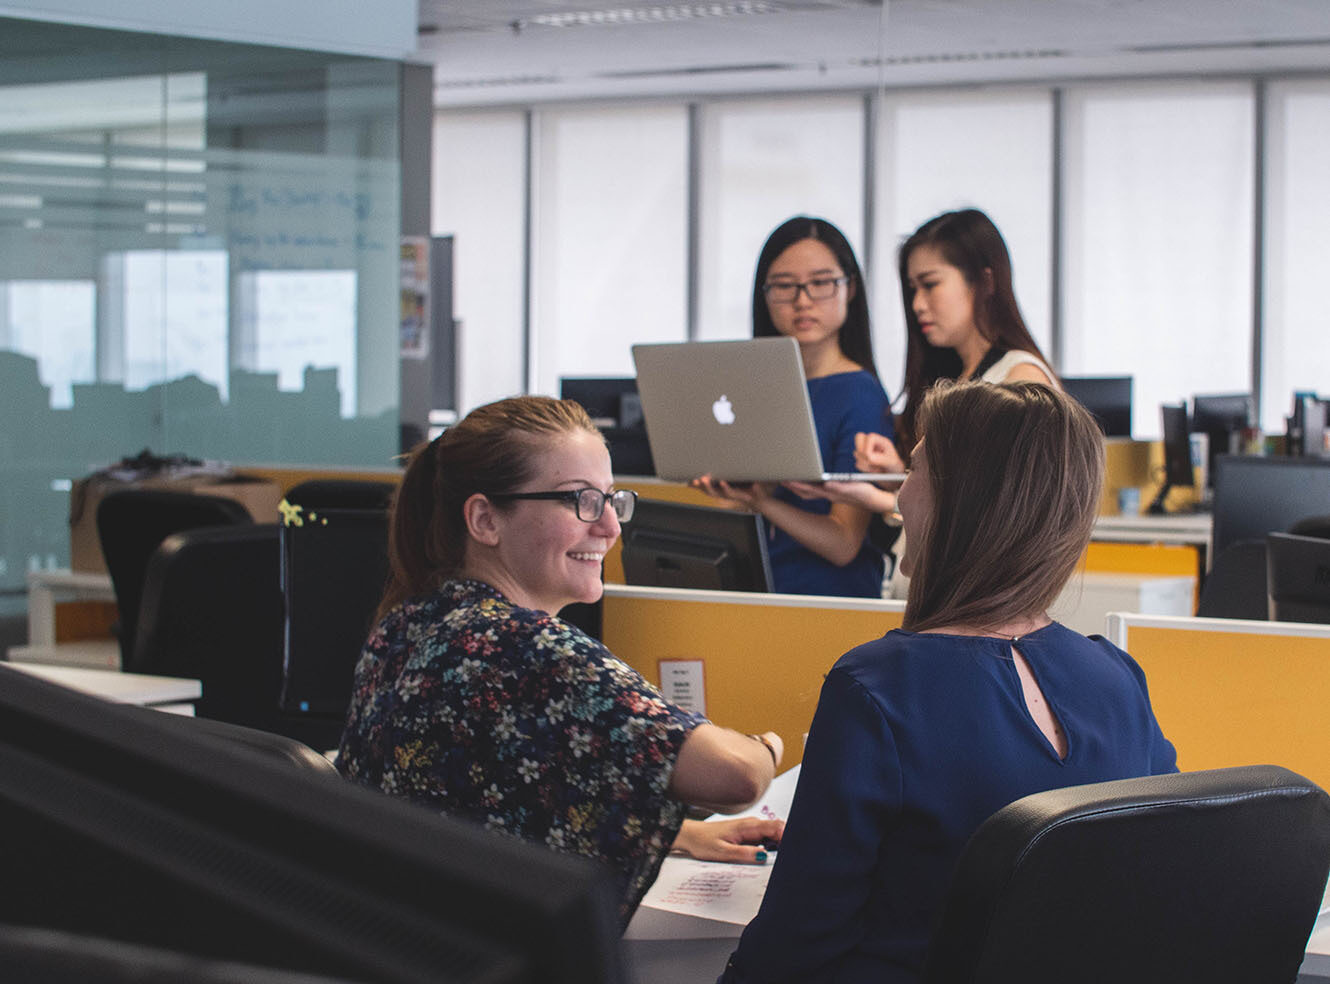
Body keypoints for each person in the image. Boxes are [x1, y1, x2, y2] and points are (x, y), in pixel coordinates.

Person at [718, 381, 1178, 984]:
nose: (900, 495)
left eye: (913, 471)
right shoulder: (1117, 679)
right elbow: (1167, 887)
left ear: (959, 502)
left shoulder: (877, 689)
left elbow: (793, 947)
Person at [336, 396, 785, 927]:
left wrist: (678, 833)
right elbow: (736, 779)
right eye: (581, 501)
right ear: (484, 519)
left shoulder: (410, 621)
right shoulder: (528, 649)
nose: (611, 527)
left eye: (611, 500)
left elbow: (480, 801)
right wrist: (766, 748)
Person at [692, 216, 893, 598]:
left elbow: (843, 543)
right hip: (759, 590)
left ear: (849, 289)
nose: (803, 300)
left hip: (826, 601)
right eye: (785, 286)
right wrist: (737, 497)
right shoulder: (757, 386)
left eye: (820, 283)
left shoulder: (858, 392)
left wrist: (763, 503)